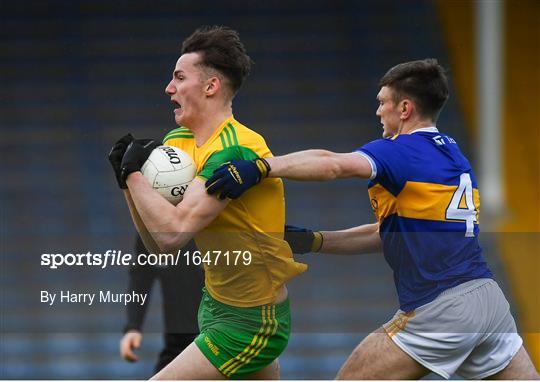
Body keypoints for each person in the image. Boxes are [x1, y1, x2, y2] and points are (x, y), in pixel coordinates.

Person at [204, 59, 539, 379]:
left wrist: (262, 167)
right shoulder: (450, 152)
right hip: (488, 300)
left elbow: (333, 164)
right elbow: (388, 234)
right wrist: (315, 240)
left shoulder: (402, 149)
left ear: (405, 109)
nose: (379, 111)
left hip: (443, 306)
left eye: (383, 103)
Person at [107, 25, 307, 380]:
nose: (169, 88)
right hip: (214, 307)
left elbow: (173, 235)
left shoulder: (236, 149)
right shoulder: (178, 141)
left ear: (211, 87)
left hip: (251, 322)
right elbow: (160, 248)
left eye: (179, 78)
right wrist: (127, 182)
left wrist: (135, 176)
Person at [119, 235, 203, 375]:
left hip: (219, 340)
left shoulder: (216, 224)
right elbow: (141, 276)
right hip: (177, 342)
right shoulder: (152, 228)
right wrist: (133, 327)